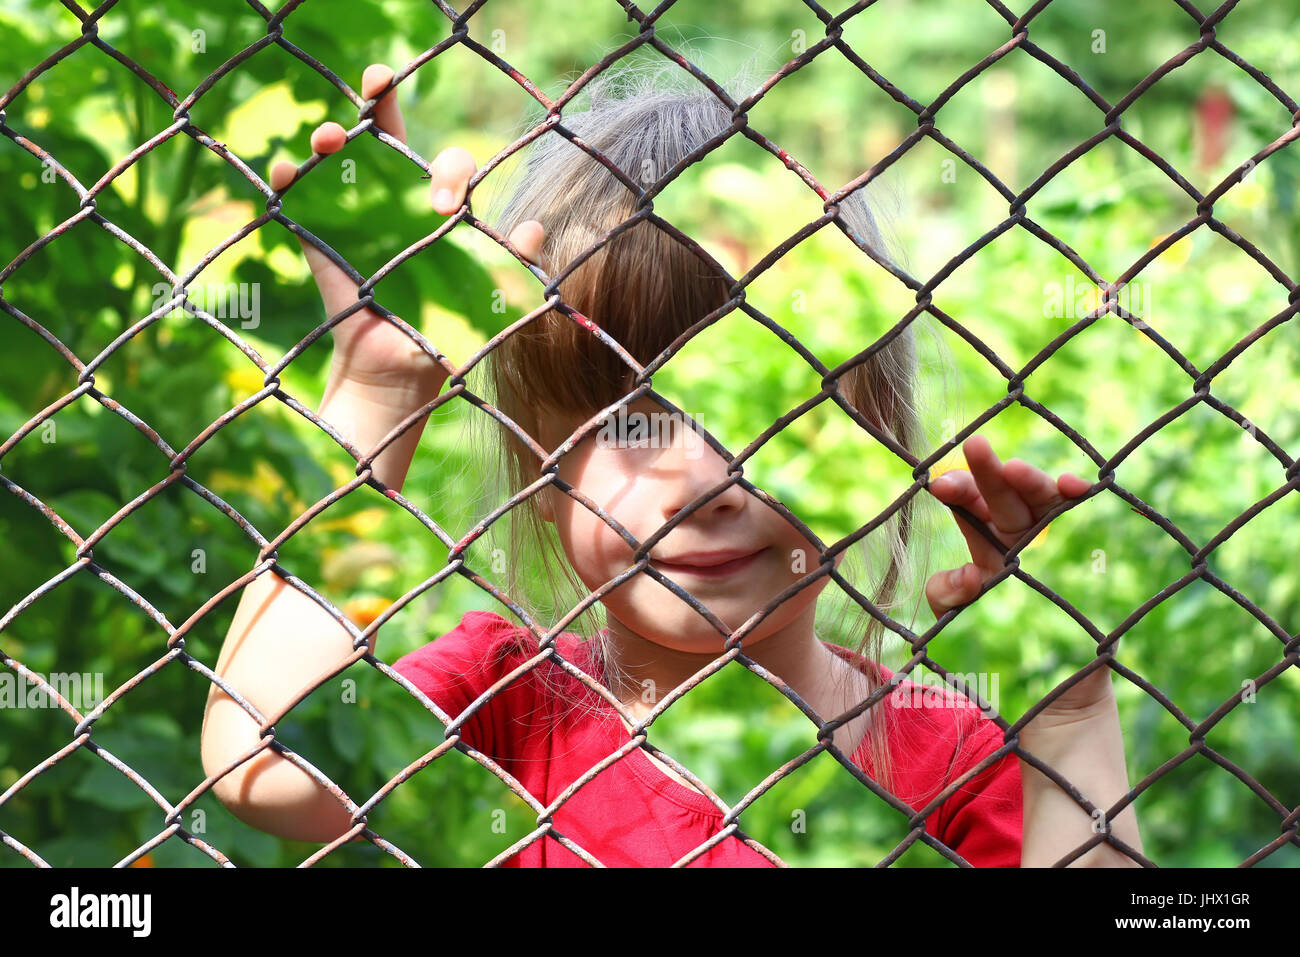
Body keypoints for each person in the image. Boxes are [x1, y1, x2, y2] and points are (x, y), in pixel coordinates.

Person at [200, 59, 1143, 867]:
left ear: (884, 435)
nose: (708, 483)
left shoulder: (941, 752)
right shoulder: (500, 705)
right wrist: (379, 396)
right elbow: (266, 764)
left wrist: (1070, 711)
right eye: (628, 419)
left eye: (779, 406)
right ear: (539, 463)